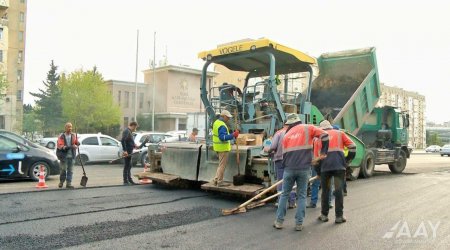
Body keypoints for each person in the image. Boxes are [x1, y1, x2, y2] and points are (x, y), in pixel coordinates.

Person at [273, 115, 329, 231]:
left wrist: (285, 167)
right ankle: (299, 224)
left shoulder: (286, 135)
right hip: (304, 168)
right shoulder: (308, 128)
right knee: (302, 195)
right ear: (299, 121)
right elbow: (325, 135)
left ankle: (279, 222)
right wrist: (323, 152)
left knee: (284, 194)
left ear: (290, 124)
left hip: (289, 169)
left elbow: (284, 155)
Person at [316, 120, 356, 224]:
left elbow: (316, 159)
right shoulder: (340, 133)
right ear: (331, 127)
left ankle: (324, 215)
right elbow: (353, 147)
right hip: (339, 167)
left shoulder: (317, 138)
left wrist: (318, 173)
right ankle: (339, 216)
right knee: (338, 192)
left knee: (325, 191)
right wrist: (346, 161)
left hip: (325, 168)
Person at [264, 116, 296, 208]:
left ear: (283, 124)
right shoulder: (294, 133)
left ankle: (280, 202)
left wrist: (266, 149)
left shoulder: (278, 133)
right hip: (291, 160)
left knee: (280, 181)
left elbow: (273, 147)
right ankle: (292, 202)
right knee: (292, 180)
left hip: (280, 159)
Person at [212, 110, 239, 187]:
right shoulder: (222, 125)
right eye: (228, 117)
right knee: (222, 166)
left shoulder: (216, 122)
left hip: (218, 147)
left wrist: (232, 135)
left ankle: (216, 180)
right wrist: (233, 135)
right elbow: (223, 137)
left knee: (220, 165)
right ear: (223, 116)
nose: (228, 119)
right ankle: (220, 182)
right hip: (222, 148)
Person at [307, 138, 334, 209]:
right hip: (326, 163)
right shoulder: (329, 139)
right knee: (328, 183)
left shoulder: (315, 139)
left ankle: (313, 202)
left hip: (317, 162)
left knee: (315, 183)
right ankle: (328, 202)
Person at [56, 122, 79, 189]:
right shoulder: (61, 136)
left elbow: (76, 142)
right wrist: (72, 146)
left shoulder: (73, 135)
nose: (70, 128)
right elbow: (62, 147)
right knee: (63, 170)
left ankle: (68, 183)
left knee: (70, 170)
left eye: (71, 127)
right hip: (64, 156)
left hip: (72, 156)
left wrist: (77, 143)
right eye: (68, 127)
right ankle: (61, 182)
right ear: (65, 128)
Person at [121, 121, 139, 185]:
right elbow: (123, 140)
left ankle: (129, 180)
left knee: (129, 165)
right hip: (127, 152)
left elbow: (130, 141)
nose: (135, 129)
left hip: (130, 151)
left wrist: (134, 145)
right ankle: (125, 181)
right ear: (133, 126)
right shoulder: (126, 131)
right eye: (135, 127)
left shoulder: (129, 132)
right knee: (127, 166)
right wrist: (125, 150)